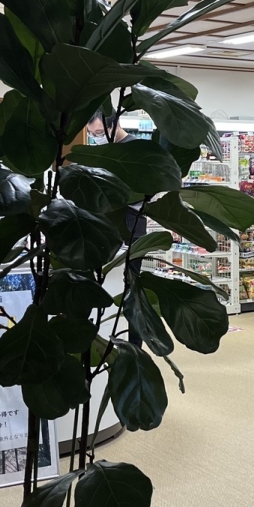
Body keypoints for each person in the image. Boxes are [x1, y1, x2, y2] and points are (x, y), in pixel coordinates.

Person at [85, 111, 145, 346]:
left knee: (132, 291)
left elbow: (145, 194)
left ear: (116, 124)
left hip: (131, 229)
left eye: (100, 132)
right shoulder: (100, 152)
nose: (97, 137)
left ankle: (134, 348)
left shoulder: (136, 149)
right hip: (104, 228)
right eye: (92, 134)